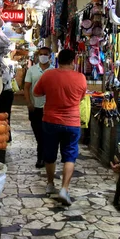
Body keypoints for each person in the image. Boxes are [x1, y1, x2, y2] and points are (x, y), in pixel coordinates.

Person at [33, 49, 87, 205]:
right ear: (73, 61)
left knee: (49, 154)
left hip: (50, 121)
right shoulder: (81, 78)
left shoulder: (48, 75)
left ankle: (50, 184)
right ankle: (64, 189)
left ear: (58, 61)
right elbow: (81, 98)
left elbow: (36, 93)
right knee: (70, 155)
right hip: (72, 123)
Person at [23, 47, 53, 168]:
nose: (43, 56)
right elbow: (26, 87)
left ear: (50, 56)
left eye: (45, 54)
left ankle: (41, 158)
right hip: (35, 107)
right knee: (39, 134)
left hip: (49, 108)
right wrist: (29, 103)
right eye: (41, 54)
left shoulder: (53, 71)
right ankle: (43, 156)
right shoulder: (32, 70)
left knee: (46, 134)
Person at [0, 64, 15, 142]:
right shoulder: (4, 71)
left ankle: (6, 135)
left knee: (4, 115)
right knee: (3, 115)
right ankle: (5, 135)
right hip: (5, 94)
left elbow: (2, 85)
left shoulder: (4, 72)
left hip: (5, 94)